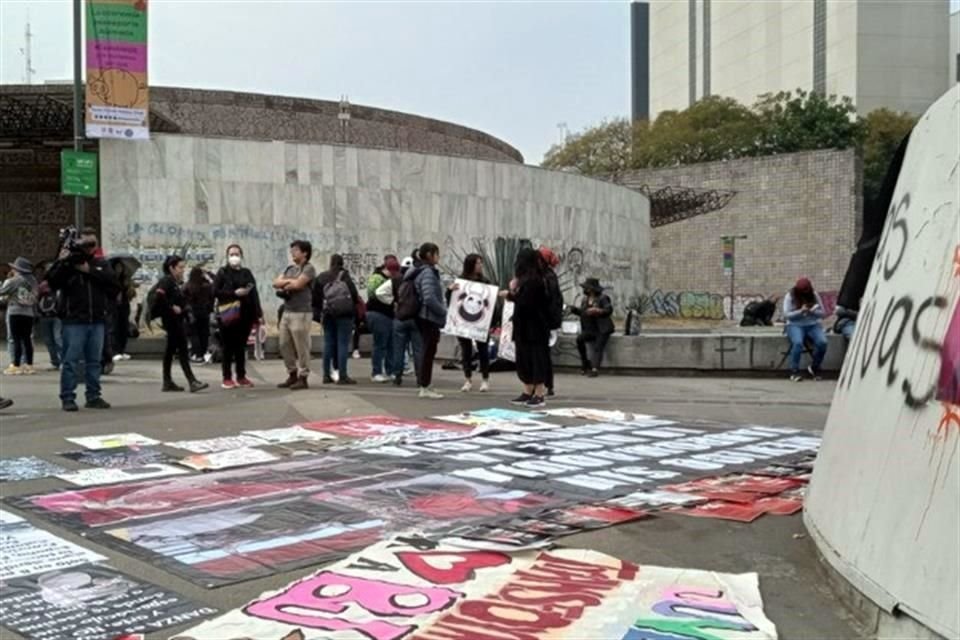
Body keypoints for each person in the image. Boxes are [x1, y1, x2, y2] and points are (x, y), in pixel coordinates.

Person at [47, 228, 119, 412]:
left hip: (96, 319)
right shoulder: (68, 265)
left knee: (94, 361)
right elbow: (51, 281)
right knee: (70, 360)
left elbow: (113, 284)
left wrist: (90, 271)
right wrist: (62, 262)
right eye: (85, 245)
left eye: (92, 244)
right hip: (74, 320)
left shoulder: (100, 264)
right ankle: (68, 397)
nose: (89, 248)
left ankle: (93, 395)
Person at [154, 256, 209, 393]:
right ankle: (192, 381)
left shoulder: (174, 282)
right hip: (172, 321)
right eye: (180, 267)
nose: (182, 270)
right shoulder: (166, 281)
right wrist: (172, 307)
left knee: (170, 351)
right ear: (171, 268)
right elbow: (159, 296)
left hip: (176, 321)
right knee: (183, 350)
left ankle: (167, 382)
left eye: (183, 267)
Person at [504, 248, 551, 407]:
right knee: (524, 358)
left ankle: (539, 393)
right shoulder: (524, 280)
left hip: (535, 327)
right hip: (523, 326)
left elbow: (527, 302)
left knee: (536, 358)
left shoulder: (535, 280)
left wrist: (510, 295)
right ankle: (527, 390)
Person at [214, 244, 262, 389]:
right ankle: (227, 377)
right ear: (227, 256)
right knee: (228, 347)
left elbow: (254, 293)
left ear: (241, 256)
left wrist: (258, 314)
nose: (234, 257)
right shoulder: (222, 273)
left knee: (241, 347)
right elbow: (215, 292)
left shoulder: (246, 273)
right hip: (228, 315)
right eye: (231, 254)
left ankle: (241, 376)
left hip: (245, 315)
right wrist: (234, 293)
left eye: (237, 254)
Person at [273, 240, 317, 390]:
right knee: (284, 344)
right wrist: (289, 282)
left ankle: (303, 376)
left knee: (301, 346)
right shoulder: (290, 268)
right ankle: (292, 373)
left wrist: (288, 283)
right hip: (287, 311)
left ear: (305, 252)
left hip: (302, 312)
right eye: (292, 250)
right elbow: (276, 283)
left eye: (296, 250)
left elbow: (298, 285)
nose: (293, 252)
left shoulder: (309, 268)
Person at [405, 243, 447, 399]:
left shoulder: (418, 270)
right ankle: (425, 386)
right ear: (430, 255)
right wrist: (443, 311)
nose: (438, 257)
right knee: (428, 352)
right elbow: (429, 297)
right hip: (428, 317)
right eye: (437, 254)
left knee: (427, 351)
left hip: (422, 317)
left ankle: (426, 384)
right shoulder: (428, 272)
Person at [447, 253, 491, 393]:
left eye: (481, 263)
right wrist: (449, 290)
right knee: (465, 351)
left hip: (480, 323)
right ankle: (468, 379)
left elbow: (490, 302)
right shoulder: (461, 282)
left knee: (483, 350)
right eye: (478, 263)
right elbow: (452, 300)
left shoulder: (485, 281)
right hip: (463, 322)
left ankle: (485, 379)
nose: (480, 266)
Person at [314, 254, 361, 385]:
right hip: (344, 315)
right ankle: (343, 376)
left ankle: (325, 375)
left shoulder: (322, 277)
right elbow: (354, 295)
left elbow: (315, 298)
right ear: (342, 263)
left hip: (328, 314)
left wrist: (321, 312)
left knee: (328, 343)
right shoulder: (345, 276)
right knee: (342, 344)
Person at [784, 277, 829, 382]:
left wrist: (813, 311)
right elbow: (787, 315)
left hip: (812, 324)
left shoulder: (814, 295)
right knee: (798, 343)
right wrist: (800, 311)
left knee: (822, 342)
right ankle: (794, 371)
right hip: (795, 325)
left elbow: (823, 313)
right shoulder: (790, 296)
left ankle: (814, 367)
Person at [0, 257, 39, 376]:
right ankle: (29, 365)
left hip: (15, 311)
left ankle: (16, 365)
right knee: (27, 339)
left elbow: (2, 291)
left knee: (16, 338)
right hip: (28, 313)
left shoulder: (15, 280)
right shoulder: (32, 281)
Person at [365, 255, 401, 383]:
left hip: (387, 315)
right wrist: (391, 302)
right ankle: (376, 372)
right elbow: (373, 295)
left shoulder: (384, 278)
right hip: (378, 314)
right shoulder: (378, 278)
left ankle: (389, 370)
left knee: (390, 344)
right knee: (380, 344)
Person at [570, 277, 614, 378]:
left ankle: (594, 369)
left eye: (587, 288)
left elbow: (608, 310)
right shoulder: (585, 300)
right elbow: (583, 313)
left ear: (592, 289)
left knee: (598, 347)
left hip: (602, 329)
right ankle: (585, 363)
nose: (585, 290)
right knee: (579, 339)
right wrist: (574, 310)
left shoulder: (603, 298)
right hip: (590, 329)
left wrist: (598, 311)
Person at [391, 255, 422, 386]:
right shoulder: (419, 278)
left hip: (400, 317)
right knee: (418, 350)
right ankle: (420, 378)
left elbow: (381, 292)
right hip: (416, 318)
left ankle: (397, 376)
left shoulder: (396, 279)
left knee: (398, 348)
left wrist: (395, 303)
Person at [538, 246, 563, 396]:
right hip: (547, 321)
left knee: (542, 354)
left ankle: (546, 383)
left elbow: (550, 301)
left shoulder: (547, 278)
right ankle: (548, 384)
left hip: (544, 322)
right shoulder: (549, 276)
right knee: (544, 354)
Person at [109, 258, 137, 362]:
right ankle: (114, 351)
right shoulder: (110, 278)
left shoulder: (125, 279)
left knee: (123, 328)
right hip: (113, 306)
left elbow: (131, 295)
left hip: (124, 306)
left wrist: (130, 288)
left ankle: (121, 349)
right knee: (113, 328)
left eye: (121, 267)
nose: (119, 269)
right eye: (117, 267)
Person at [184, 267, 214, 363]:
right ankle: (203, 353)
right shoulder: (207, 286)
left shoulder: (187, 286)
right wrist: (208, 273)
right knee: (204, 334)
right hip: (205, 313)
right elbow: (215, 287)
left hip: (192, 313)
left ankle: (197, 355)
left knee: (194, 334)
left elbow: (182, 300)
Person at [35, 264, 63, 370]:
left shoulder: (60, 283)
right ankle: (55, 361)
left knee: (57, 338)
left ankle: (62, 360)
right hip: (44, 316)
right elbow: (36, 297)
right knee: (49, 340)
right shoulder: (42, 285)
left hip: (57, 316)